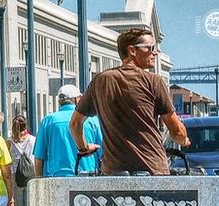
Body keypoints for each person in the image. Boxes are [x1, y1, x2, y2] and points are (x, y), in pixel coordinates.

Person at [69, 28, 190, 175]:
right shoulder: (154, 81)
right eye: (151, 48)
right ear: (132, 51)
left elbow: (75, 124)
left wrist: (83, 148)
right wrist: (184, 140)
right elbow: (176, 131)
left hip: (114, 172)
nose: (155, 53)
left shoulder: (100, 81)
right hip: (152, 170)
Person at [34, 84, 102, 177]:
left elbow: (39, 157)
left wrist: (39, 183)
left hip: (56, 180)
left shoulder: (48, 121)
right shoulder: (91, 120)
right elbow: (103, 151)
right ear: (76, 100)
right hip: (87, 177)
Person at [6, 115, 36, 206]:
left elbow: (6, 162)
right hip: (32, 178)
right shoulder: (33, 140)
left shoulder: (9, 142)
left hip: (16, 178)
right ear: (26, 126)